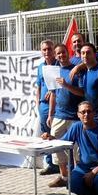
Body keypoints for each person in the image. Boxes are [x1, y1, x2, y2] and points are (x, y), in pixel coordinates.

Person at [41, 44, 83, 188]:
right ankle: (64, 176)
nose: (61, 55)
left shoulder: (76, 71)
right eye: (58, 53)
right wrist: (51, 114)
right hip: (59, 115)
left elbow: (82, 93)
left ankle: (78, 178)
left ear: (68, 53)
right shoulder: (54, 71)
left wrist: (67, 85)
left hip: (75, 117)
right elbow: (53, 93)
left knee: (77, 149)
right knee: (56, 146)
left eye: (63, 53)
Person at [36, 39, 59, 175]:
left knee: (56, 134)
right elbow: (38, 86)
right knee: (45, 134)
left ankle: (61, 164)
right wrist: (37, 102)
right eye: (44, 49)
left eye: (49, 49)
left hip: (58, 106)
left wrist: (53, 90)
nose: (47, 52)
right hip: (43, 106)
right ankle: (50, 163)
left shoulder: (59, 65)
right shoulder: (40, 67)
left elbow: (60, 84)